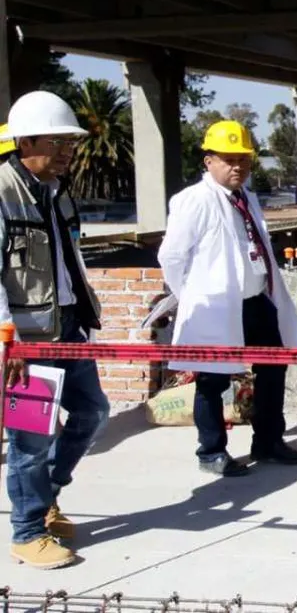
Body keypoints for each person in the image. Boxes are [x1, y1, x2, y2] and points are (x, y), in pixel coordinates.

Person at [158, 120, 297, 477]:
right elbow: (171, 257)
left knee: (273, 365)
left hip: (255, 300)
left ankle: (268, 440)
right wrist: (192, 296)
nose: (238, 166)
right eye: (229, 159)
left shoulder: (246, 198)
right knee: (212, 379)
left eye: (243, 159)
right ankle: (211, 451)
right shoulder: (195, 200)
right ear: (209, 161)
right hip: (216, 306)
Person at [0, 91, 106, 569]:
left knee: (92, 412)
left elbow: (70, 260)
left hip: (68, 328)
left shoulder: (57, 191)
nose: (67, 152)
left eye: (70, 143)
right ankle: (26, 533)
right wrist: (8, 337)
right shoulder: (3, 192)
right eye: (57, 142)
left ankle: (46, 497)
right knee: (30, 438)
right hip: (27, 339)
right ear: (25, 142)